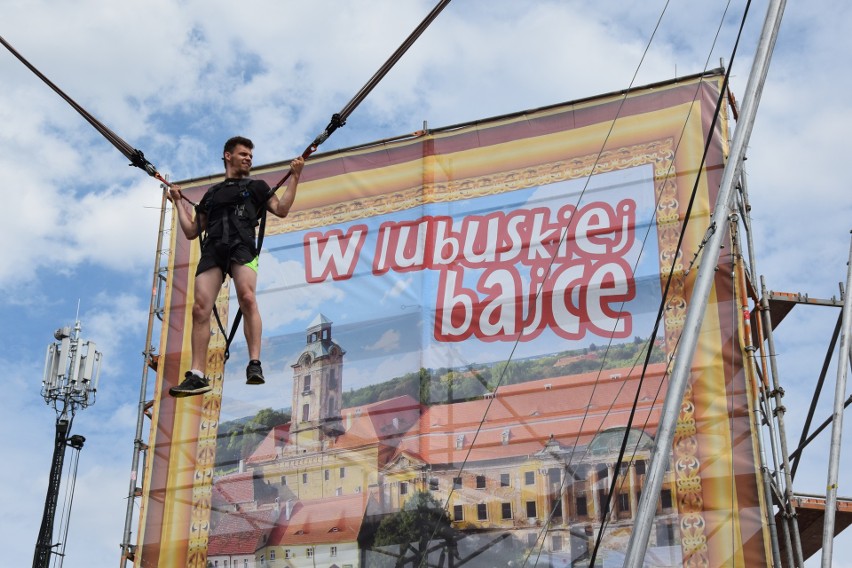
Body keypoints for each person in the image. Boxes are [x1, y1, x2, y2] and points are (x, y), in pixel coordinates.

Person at [166, 136, 305, 397]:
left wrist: (295, 176)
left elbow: (282, 209)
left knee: (248, 298)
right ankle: (197, 374)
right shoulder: (212, 194)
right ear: (228, 156)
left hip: (242, 247)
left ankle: (254, 363)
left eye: (250, 156)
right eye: (243, 154)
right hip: (214, 249)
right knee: (199, 308)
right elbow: (192, 231)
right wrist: (177, 202)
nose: (248, 159)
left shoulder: (258, 187)